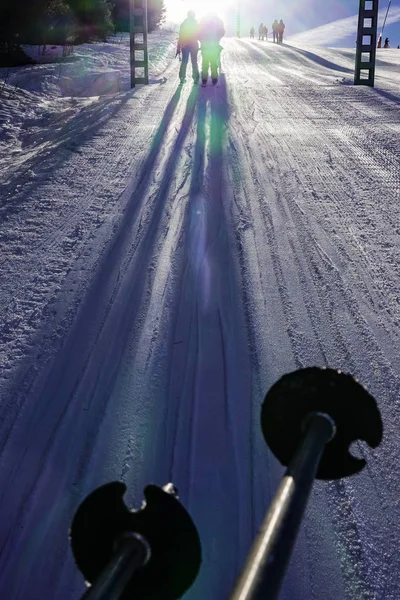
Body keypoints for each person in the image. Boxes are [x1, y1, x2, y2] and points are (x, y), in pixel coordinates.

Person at [198, 13, 225, 86]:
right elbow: (222, 32)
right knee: (213, 62)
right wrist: (217, 39)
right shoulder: (218, 20)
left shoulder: (202, 21)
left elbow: (197, 33)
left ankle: (204, 79)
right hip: (214, 46)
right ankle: (214, 79)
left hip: (205, 46)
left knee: (205, 63)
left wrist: (202, 41)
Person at [178, 10, 200, 84]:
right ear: (194, 15)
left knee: (184, 61)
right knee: (194, 62)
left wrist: (179, 46)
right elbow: (199, 34)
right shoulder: (196, 23)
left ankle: (182, 77)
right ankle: (196, 78)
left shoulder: (184, 23)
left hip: (185, 45)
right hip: (194, 45)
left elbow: (180, 35)